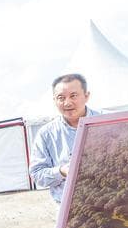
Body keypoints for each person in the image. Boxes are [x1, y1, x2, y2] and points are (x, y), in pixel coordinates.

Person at [30, 73, 97, 204]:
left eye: (73, 96)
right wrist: (61, 171)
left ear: (86, 96)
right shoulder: (46, 134)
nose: (67, 103)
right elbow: (37, 174)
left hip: (113, 198)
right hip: (70, 207)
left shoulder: (107, 121)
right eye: (61, 98)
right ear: (54, 100)